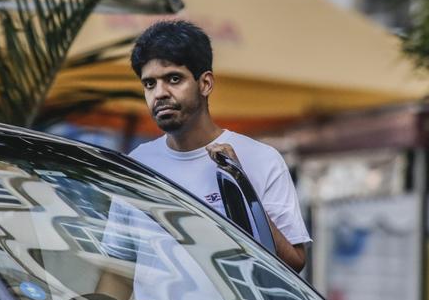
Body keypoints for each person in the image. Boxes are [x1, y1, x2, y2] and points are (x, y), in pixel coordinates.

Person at [127, 20, 310, 271]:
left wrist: (241, 186)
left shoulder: (261, 159)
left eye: (173, 79)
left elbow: (294, 264)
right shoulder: (137, 164)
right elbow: (120, 263)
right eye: (150, 83)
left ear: (205, 84)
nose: (159, 93)